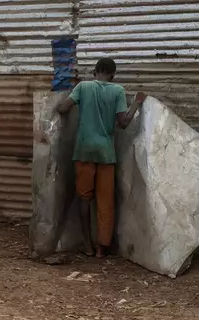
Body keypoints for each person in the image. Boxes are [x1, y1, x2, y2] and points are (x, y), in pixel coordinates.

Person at [55, 58, 146, 258]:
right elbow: (123, 122)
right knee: (105, 201)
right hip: (106, 154)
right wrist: (137, 103)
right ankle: (101, 248)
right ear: (113, 75)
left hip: (84, 151)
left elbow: (63, 109)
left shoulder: (83, 86)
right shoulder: (118, 91)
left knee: (84, 199)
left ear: (95, 71)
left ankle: (87, 245)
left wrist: (59, 102)